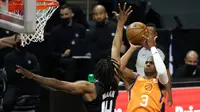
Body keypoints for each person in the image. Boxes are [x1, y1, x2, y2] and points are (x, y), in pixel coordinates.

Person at [16, 3, 132, 112]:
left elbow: (59, 84)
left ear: (97, 72)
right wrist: (121, 26)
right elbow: (116, 48)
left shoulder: (90, 87)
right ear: (113, 71)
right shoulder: (115, 81)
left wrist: (33, 76)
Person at [112, 9, 169, 111]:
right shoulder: (135, 79)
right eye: (147, 62)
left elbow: (162, 71)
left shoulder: (161, 84)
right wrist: (132, 48)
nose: (148, 64)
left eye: (151, 62)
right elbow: (118, 67)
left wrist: (152, 47)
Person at [3, 34, 39, 112]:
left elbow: (37, 71)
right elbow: (11, 74)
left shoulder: (32, 57)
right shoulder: (9, 57)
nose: (22, 42)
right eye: (19, 40)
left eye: (24, 40)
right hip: (14, 86)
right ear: (15, 41)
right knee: (7, 103)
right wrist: (28, 73)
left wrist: (23, 73)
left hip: (29, 85)